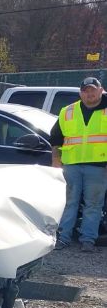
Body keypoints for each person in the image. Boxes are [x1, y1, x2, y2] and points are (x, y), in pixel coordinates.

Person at [50, 77, 107, 252]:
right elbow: (55, 138)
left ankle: (88, 240)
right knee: (69, 203)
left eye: (92, 90)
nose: (89, 94)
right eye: (85, 90)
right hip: (71, 165)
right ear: (80, 93)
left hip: (99, 166)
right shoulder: (68, 111)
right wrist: (55, 159)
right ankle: (63, 238)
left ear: (101, 90)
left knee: (93, 205)